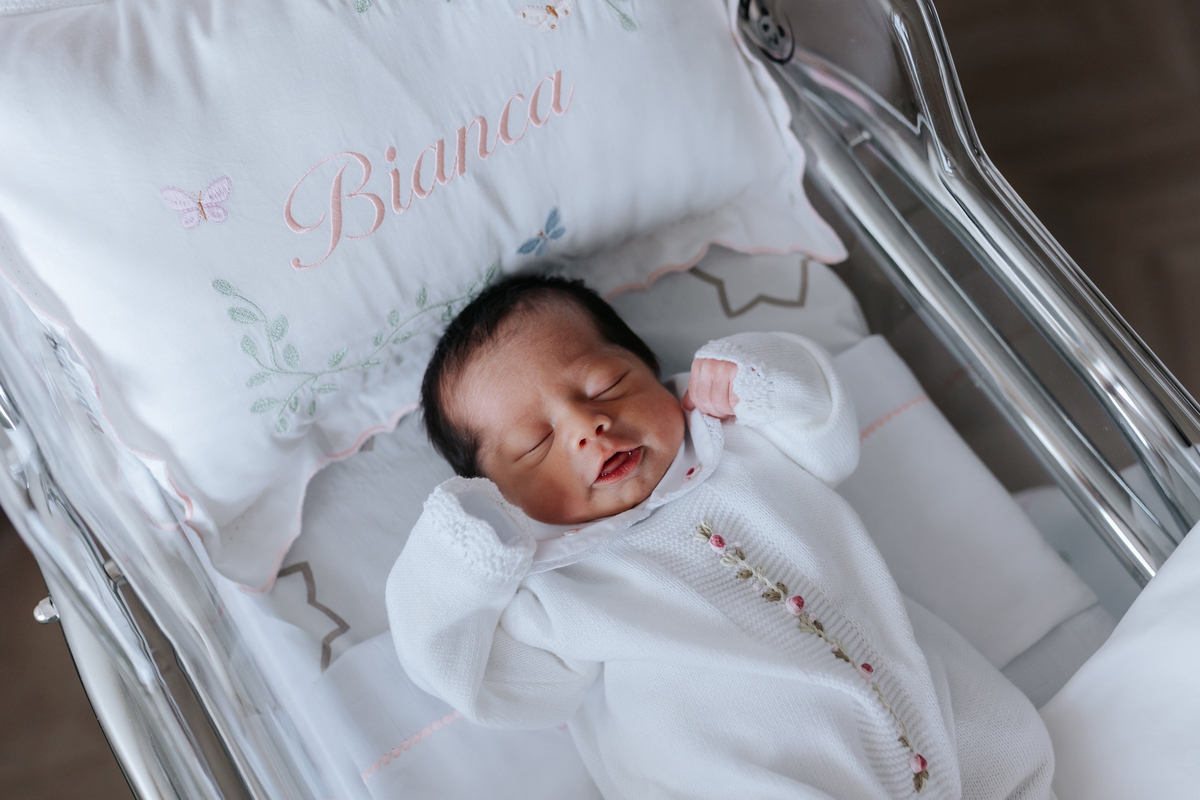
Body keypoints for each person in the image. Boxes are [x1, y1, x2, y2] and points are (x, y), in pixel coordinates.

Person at [387, 275, 1055, 799]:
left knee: (1009, 757)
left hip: (940, 716)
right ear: (499, 498)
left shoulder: (736, 438)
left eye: (606, 384)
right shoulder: (554, 590)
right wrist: (462, 552)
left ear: (652, 370)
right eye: (536, 443)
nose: (588, 426)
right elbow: (476, 678)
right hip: (752, 779)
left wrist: (758, 378)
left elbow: (826, 433)